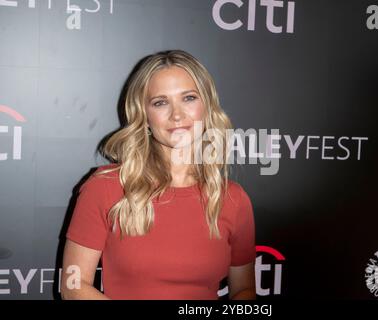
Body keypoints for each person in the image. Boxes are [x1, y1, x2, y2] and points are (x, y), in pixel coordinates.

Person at [60, 50, 256, 300]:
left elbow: (244, 290)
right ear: (144, 115)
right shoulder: (106, 187)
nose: (177, 114)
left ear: (206, 107)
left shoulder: (233, 199)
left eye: (189, 98)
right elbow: (73, 287)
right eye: (160, 102)